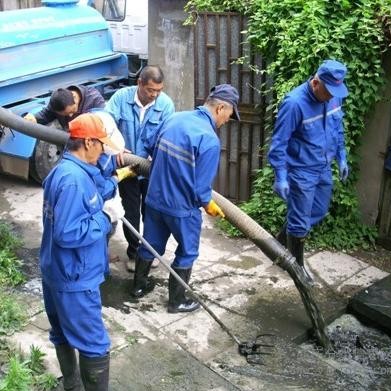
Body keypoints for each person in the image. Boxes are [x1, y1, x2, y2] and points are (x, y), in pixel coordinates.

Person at [131, 84, 240, 314]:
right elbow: (201, 189)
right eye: (229, 115)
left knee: (151, 242)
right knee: (187, 251)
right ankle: (177, 301)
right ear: (221, 108)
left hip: (154, 199)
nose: (227, 120)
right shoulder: (209, 140)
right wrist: (208, 204)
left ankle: (138, 286)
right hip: (181, 209)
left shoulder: (174, 118)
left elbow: (149, 144)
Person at [39, 113, 123, 391]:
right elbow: (69, 233)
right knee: (94, 343)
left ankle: (72, 386)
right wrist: (106, 219)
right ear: (87, 142)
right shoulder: (74, 181)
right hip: (74, 277)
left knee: (61, 332)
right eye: (101, 145)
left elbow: (91, 193)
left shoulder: (63, 171)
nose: (103, 151)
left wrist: (113, 181)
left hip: (55, 269)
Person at [268, 59, 349, 282]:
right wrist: (281, 176)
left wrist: (342, 157)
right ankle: (297, 269)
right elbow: (279, 143)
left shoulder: (334, 97)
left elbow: (338, 129)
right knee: (301, 221)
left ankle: (282, 239)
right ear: (315, 83)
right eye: (328, 91)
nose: (332, 96)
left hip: (323, 167)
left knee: (319, 210)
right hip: (301, 170)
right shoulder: (294, 103)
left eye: (335, 91)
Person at [105, 65, 175, 272]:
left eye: (158, 91)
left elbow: (168, 133)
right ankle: (134, 253)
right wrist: (116, 146)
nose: (154, 95)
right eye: (150, 90)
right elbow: (107, 125)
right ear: (140, 84)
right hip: (126, 168)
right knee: (132, 211)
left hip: (152, 169)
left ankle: (150, 252)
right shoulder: (120, 98)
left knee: (151, 213)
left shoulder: (165, 104)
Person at [24, 85, 105, 129]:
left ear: (74, 97)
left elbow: (105, 125)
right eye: (65, 115)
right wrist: (34, 118)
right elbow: (46, 114)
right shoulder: (58, 101)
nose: (70, 116)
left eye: (72, 111)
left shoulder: (95, 100)